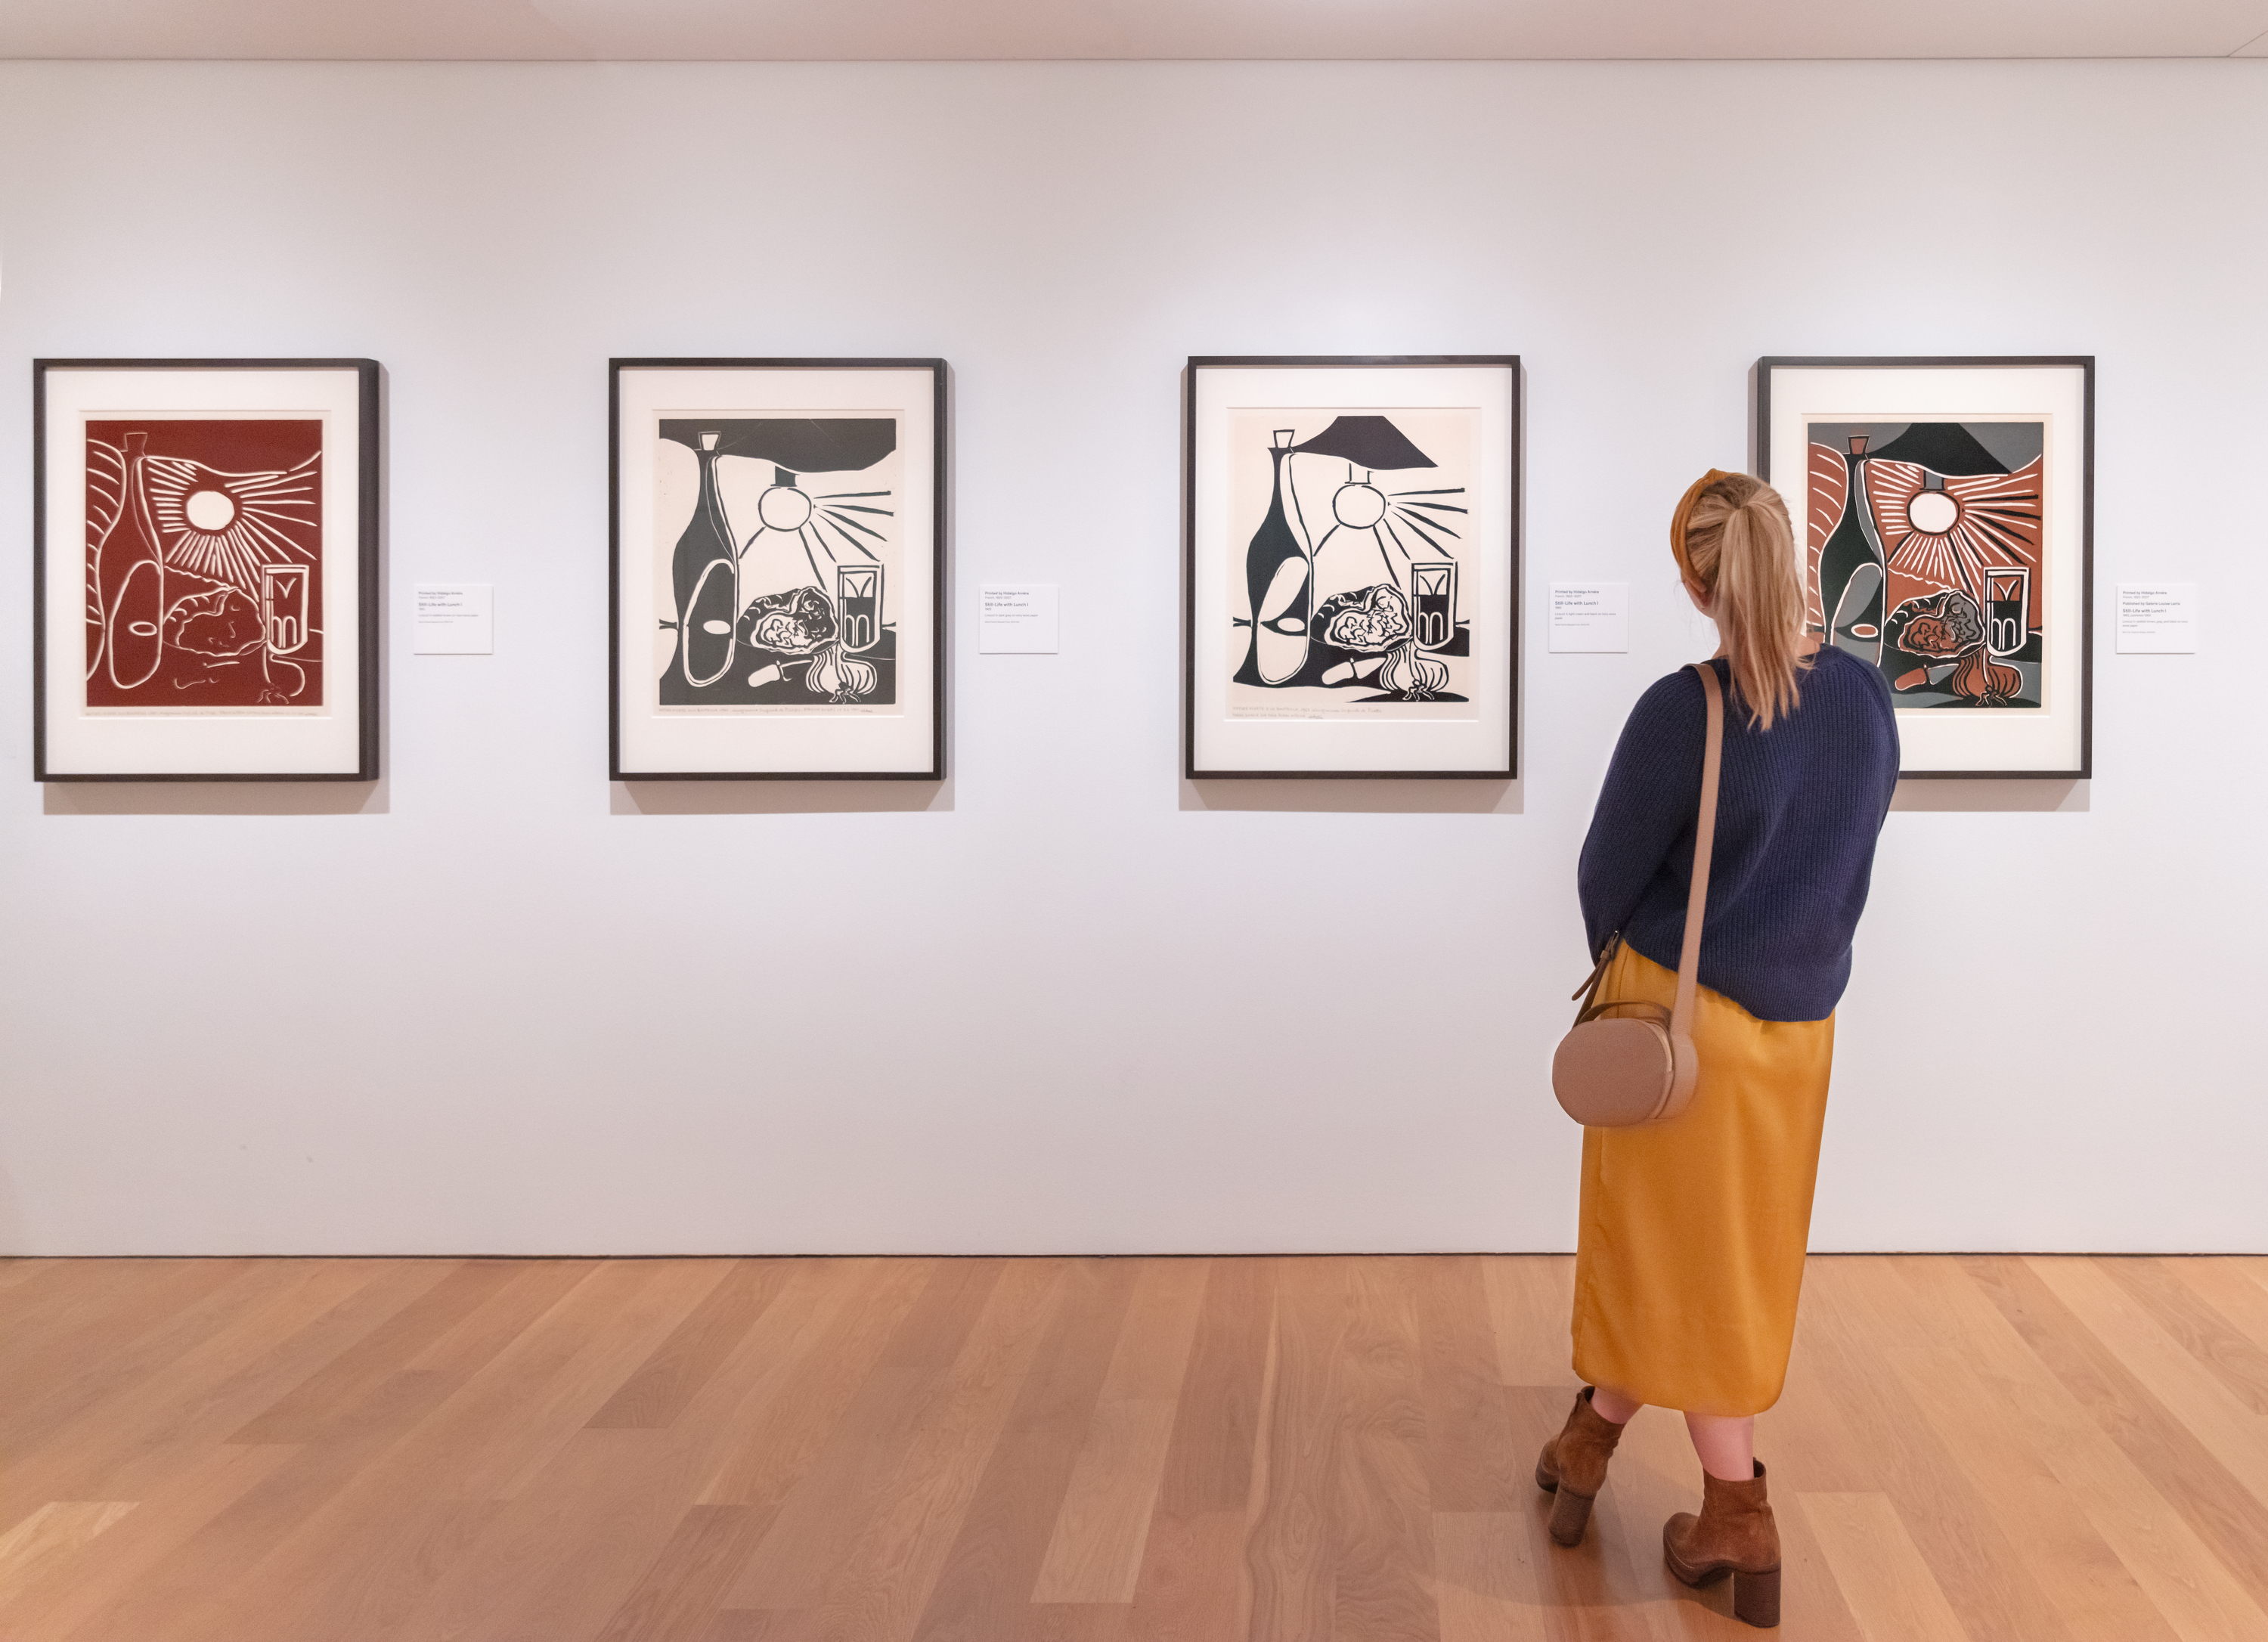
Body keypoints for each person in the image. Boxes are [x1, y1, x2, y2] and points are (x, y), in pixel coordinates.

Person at [1533, 469, 1899, 1628]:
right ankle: (1589, 1437)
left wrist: (1633, 966)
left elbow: (1605, 874)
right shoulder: (1865, 698)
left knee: (1664, 1250)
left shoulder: (1683, 707)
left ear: (1696, 585)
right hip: (1799, 1029)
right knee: (1730, 1256)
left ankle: (1736, 1509)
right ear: (1792, 561)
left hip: (1676, 1031)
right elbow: (1850, 851)